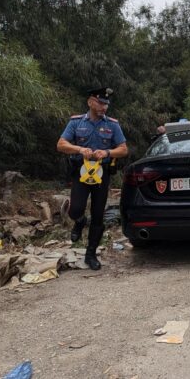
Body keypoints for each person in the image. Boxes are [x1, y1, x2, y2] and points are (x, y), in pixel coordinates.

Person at [56, 87, 129, 270]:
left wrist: (107, 152)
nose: (104, 107)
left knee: (98, 214)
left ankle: (91, 254)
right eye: (100, 103)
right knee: (76, 209)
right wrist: (80, 149)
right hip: (81, 172)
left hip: (101, 174)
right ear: (90, 102)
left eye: (106, 104)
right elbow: (61, 144)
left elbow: (123, 149)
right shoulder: (76, 122)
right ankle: (79, 222)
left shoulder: (112, 124)